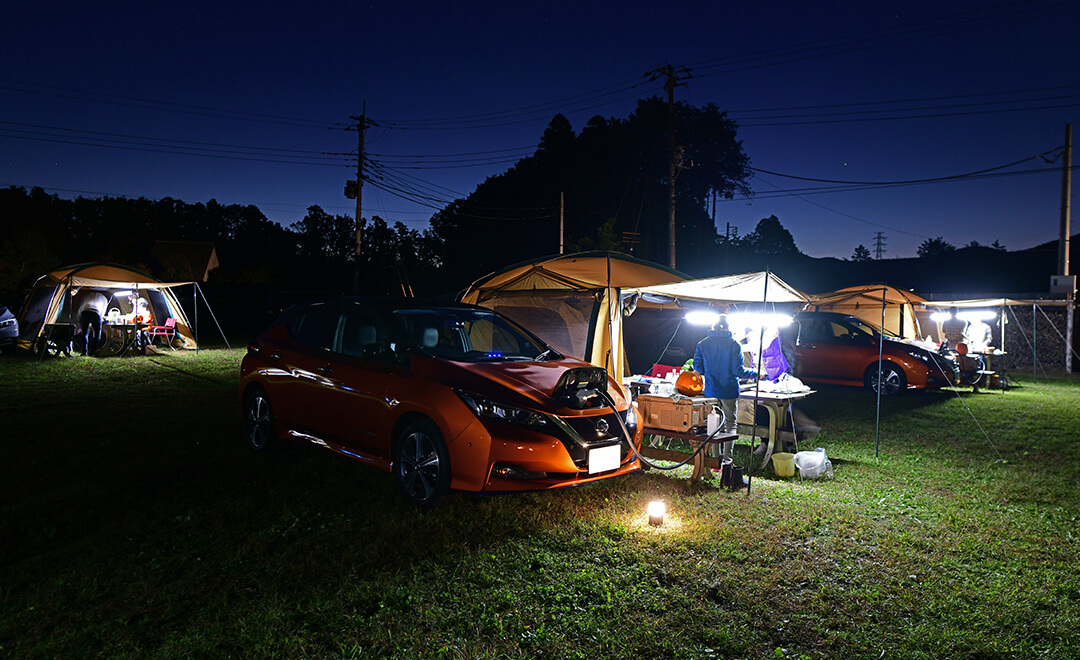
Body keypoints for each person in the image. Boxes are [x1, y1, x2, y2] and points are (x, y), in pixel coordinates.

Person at [693, 315, 758, 462]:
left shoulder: (702, 344)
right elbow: (738, 371)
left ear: (713, 327)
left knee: (714, 423)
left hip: (710, 391)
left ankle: (716, 460)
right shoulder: (734, 344)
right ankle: (727, 460)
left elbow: (698, 369)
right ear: (729, 328)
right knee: (730, 423)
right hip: (729, 390)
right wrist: (756, 373)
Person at [72, 289, 108, 356]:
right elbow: (102, 312)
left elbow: (81, 306)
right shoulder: (104, 298)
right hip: (95, 313)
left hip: (84, 312)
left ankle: (84, 352)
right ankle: (93, 352)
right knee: (97, 334)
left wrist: (79, 317)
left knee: (84, 333)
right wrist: (100, 319)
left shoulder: (87, 295)